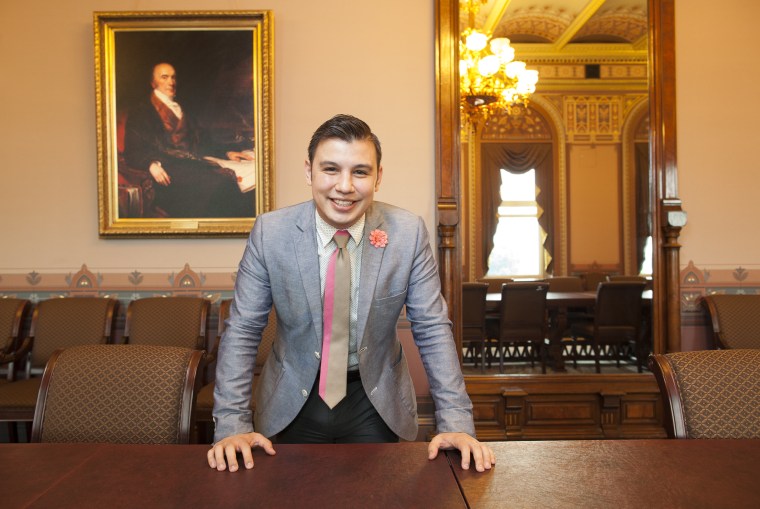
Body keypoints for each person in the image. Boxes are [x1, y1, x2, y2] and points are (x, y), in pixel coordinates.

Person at [208, 114, 495, 473]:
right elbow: (244, 330)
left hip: (373, 399)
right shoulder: (271, 233)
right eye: (330, 169)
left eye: (360, 172)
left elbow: (432, 328)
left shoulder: (408, 233)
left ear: (378, 177)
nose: (344, 186)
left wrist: (455, 422)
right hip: (293, 398)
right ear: (309, 171)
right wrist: (232, 425)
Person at [122, 62, 254, 218]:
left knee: (244, 177)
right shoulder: (142, 111)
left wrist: (226, 152)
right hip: (168, 170)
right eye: (164, 77)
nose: (171, 82)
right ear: (153, 83)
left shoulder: (182, 109)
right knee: (220, 185)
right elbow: (133, 149)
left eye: (173, 77)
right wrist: (150, 164)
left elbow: (203, 140)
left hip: (192, 163)